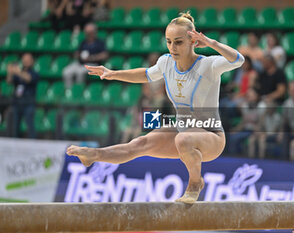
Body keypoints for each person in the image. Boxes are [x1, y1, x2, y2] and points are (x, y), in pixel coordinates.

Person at [66, 12, 245, 203]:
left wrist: (210, 43)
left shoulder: (208, 66)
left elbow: (238, 60)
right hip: (182, 133)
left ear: (193, 41)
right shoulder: (166, 62)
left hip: (211, 138)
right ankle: (94, 155)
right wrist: (113, 73)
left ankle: (195, 183)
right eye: (169, 41)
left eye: (178, 42)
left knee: (183, 139)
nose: (172, 47)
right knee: (140, 143)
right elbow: (145, 74)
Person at [62, 23, 108, 88]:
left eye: (89, 32)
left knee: (80, 72)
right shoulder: (83, 42)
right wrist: (78, 55)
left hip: (93, 64)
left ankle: (78, 91)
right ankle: (69, 91)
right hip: (80, 63)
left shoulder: (99, 42)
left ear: (94, 32)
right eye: (86, 33)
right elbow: (77, 53)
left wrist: (92, 58)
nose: (88, 34)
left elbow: (104, 55)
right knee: (66, 71)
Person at [6, 53, 39, 138]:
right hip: (17, 102)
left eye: (28, 59)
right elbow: (9, 81)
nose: (26, 61)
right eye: (24, 59)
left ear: (32, 61)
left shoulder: (34, 73)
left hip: (28, 102)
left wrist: (17, 71)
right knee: (15, 126)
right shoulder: (19, 73)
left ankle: (33, 143)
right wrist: (10, 72)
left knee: (30, 125)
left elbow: (28, 79)